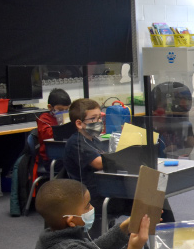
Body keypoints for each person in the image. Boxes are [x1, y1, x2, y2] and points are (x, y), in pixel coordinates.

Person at [63, 98, 175, 238]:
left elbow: (110, 157)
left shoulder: (94, 140)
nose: (98, 122)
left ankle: (167, 236)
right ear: (79, 124)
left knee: (157, 198)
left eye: (100, 117)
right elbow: (99, 163)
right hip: (94, 198)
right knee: (152, 201)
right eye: (93, 119)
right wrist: (128, 154)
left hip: (108, 191)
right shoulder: (76, 143)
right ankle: (142, 241)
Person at [33, 178, 150, 249]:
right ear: (71, 221)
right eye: (87, 206)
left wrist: (123, 229)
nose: (92, 208)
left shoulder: (51, 240)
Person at [37, 88, 71, 171]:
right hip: (51, 159)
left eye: (67, 109)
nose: (64, 112)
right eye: (60, 109)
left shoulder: (68, 117)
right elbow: (48, 136)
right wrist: (64, 127)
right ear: (50, 107)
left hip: (65, 154)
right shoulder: (44, 118)